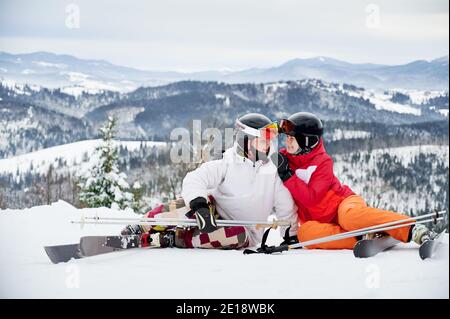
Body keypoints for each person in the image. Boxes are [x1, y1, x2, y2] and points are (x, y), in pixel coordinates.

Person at [123, 113, 299, 249]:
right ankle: (142, 226)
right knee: (187, 205)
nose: (267, 146)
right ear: (245, 141)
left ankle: (170, 238)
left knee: (235, 235)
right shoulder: (227, 163)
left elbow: (285, 207)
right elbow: (195, 179)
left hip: (245, 232)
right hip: (214, 213)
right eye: (262, 141)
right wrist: (201, 207)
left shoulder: (272, 172)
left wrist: (290, 235)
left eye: (268, 141)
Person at [272, 111, 435, 249]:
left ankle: (413, 229)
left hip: (343, 204)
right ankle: (361, 237)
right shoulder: (285, 159)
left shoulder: (323, 162)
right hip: (320, 221)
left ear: (306, 141)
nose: (287, 142)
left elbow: (311, 198)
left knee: (349, 218)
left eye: (291, 138)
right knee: (305, 233)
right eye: (286, 138)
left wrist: (288, 176)